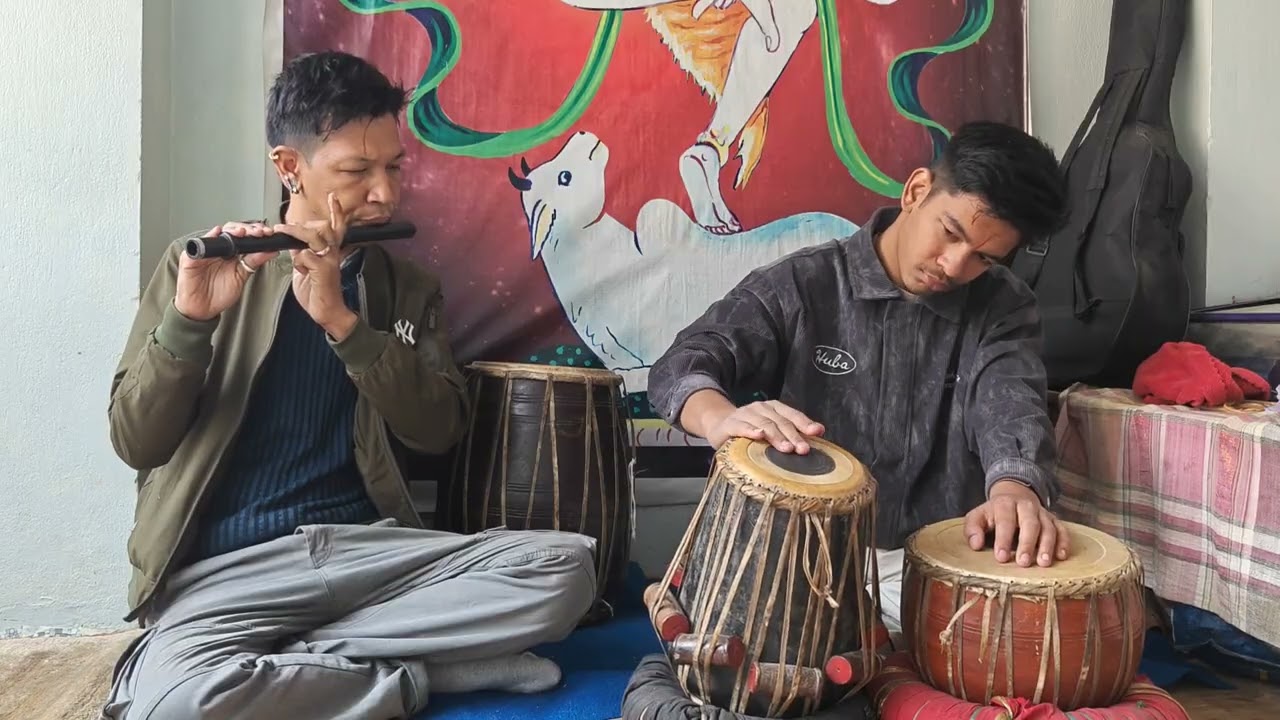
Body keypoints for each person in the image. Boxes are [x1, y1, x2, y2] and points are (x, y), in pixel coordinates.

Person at [102, 51, 595, 720]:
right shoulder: (199, 264)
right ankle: (414, 674)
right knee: (172, 707)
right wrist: (190, 323)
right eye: (356, 172)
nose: (385, 195)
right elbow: (136, 440)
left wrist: (343, 321)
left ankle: (292, 659)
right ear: (288, 167)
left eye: (393, 167)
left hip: (371, 556)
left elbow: (440, 430)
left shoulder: (406, 289)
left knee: (566, 573)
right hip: (230, 568)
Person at [647, 121, 1070, 643]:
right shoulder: (806, 282)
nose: (954, 265)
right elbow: (681, 363)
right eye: (952, 233)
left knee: (1037, 643)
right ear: (916, 191)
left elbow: (1011, 400)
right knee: (748, 662)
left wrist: (1016, 488)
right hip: (800, 557)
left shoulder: (1004, 307)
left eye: (984, 257)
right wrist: (718, 416)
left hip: (931, 561)